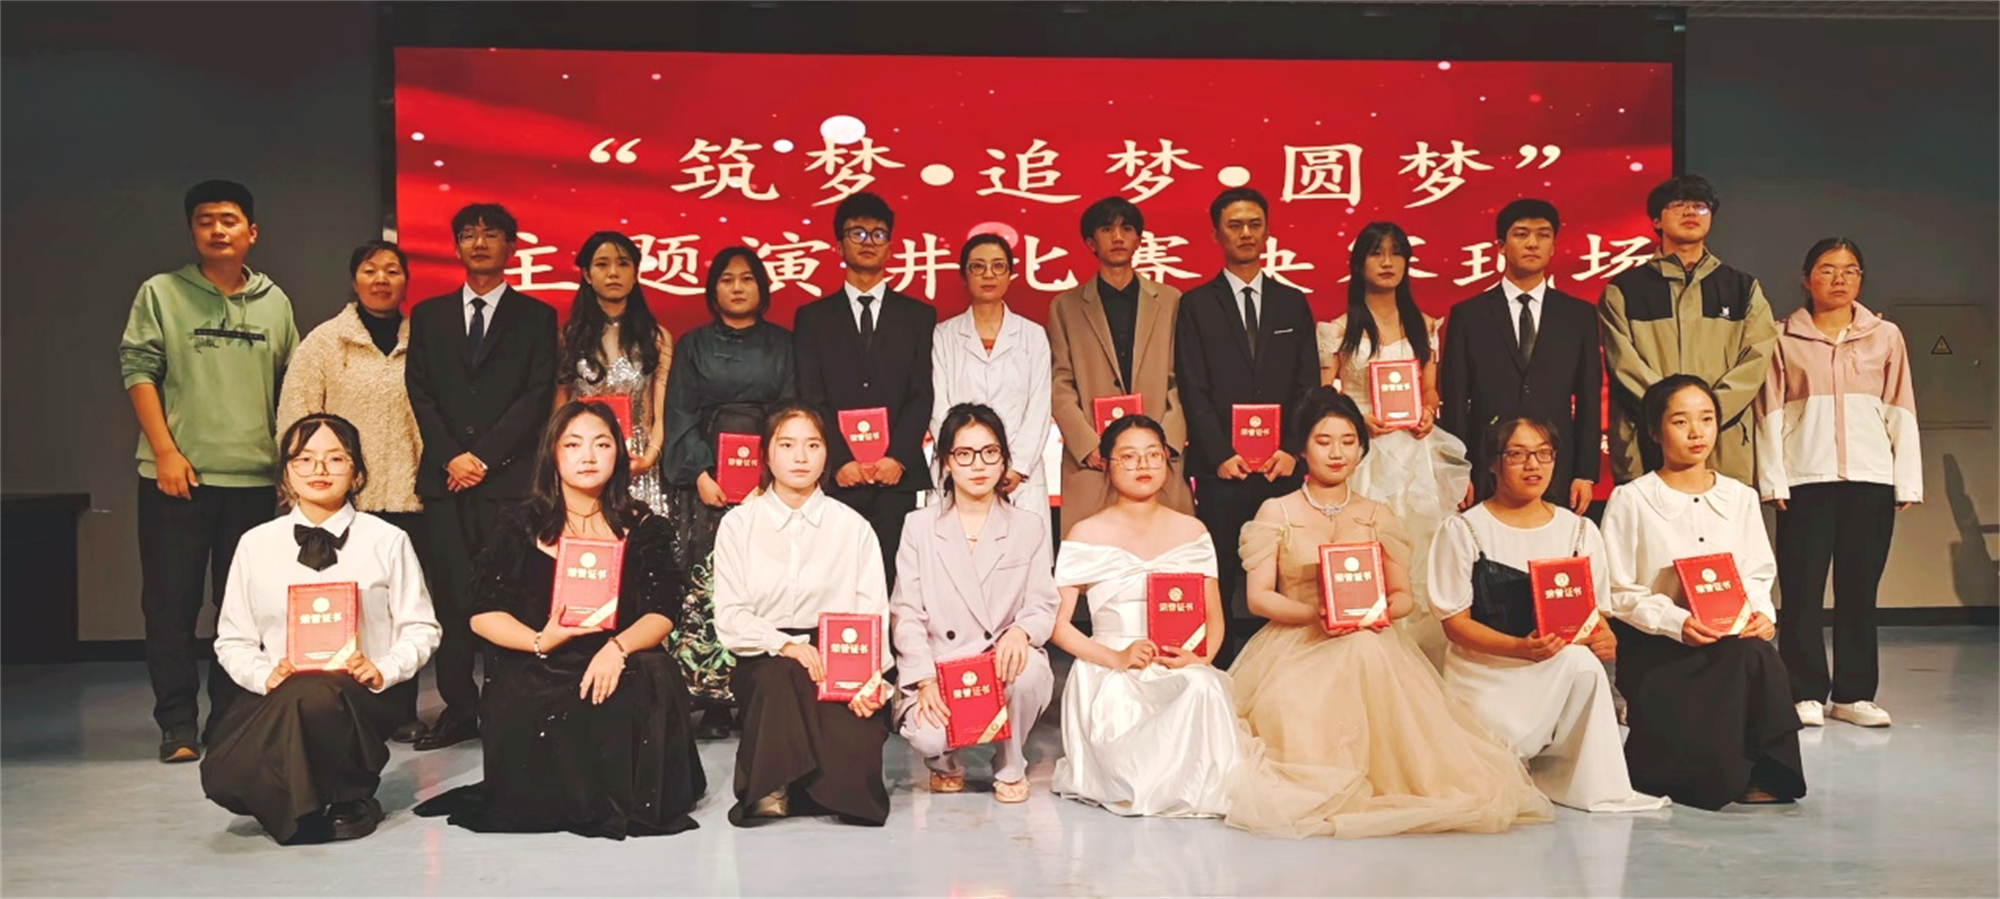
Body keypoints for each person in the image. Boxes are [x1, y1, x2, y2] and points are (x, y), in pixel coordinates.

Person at [1225, 389, 1551, 838]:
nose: (1337, 452)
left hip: (1370, 637)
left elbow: (1402, 597)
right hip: (1297, 640)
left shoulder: (1378, 514)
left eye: (1348, 441)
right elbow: (1260, 597)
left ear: (1361, 448)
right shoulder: (1276, 511)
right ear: (1302, 448)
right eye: (1323, 441)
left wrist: (1371, 612)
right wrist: (1315, 613)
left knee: (1365, 649)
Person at [413, 401, 705, 838]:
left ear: (618, 454)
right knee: (523, 685)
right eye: (573, 445)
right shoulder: (519, 524)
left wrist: (617, 648)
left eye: (601, 444)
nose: (588, 456)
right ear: (552, 454)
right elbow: (483, 614)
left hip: (617, 657)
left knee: (655, 672)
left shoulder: (645, 526)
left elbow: (663, 612)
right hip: (542, 657)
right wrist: (539, 641)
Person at [121, 179, 298, 762]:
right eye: (205, 220)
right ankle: (176, 724)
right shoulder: (162, 293)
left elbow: (290, 390)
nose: (217, 230)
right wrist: (165, 452)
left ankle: (229, 719)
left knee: (242, 610)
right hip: (178, 478)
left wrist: (287, 471)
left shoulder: (275, 303)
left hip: (253, 481)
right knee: (169, 605)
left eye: (229, 219)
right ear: (192, 231)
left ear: (252, 232)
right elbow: (138, 370)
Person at [201, 414, 440, 843]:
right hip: (279, 694)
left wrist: (383, 669)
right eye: (304, 459)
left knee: (315, 694)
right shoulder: (255, 543)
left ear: (357, 471)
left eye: (335, 458)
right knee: (222, 775)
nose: (319, 469)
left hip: (364, 694)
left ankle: (338, 797)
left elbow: (421, 627)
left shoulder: (387, 540)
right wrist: (264, 675)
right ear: (286, 474)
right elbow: (233, 638)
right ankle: (333, 797)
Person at [1427, 417, 1668, 813]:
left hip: (1552, 666)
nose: (1533, 465)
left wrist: (1605, 637)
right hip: (1486, 672)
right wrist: (1520, 648)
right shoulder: (1464, 530)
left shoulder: (1579, 531)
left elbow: (1594, 617)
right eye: (1517, 455)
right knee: (1490, 777)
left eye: (1543, 454)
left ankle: (1589, 784)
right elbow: (1455, 624)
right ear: (1493, 463)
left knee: (1582, 663)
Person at [1601, 374, 1806, 809]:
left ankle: (1762, 773)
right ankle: (1726, 773)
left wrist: (1759, 614)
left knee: (1756, 652)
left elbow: (1757, 572)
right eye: (1681, 421)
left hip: (1727, 637)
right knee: (1745, 659)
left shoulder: (1740, 497)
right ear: (1655, 431)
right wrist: (1675, 622)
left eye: (1707, 419)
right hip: (1660, 646)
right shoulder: (1631, 499)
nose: (1697, 432)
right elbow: (1616, 589)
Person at [404, 203, 559, 750]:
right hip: (446, 481)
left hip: (509, 482)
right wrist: (452, 456)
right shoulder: (428, 316)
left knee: (509, 596)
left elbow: (536, 395)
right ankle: (458, 708)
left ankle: (506, 703)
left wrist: (484, 459)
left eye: (491, 234)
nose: (479, 242)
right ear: (456, 246)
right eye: (468, 234)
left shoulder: (537, 316)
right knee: (451, 597)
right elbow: (419, 390)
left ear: (511, 246)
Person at [1757, 238, 1921, 728]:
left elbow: (1901, 407)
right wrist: (1773, 480)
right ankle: (1804, 691)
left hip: (1870, 479)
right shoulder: (1782, 336)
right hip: (1805, 479)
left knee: (1859, 591)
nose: (1839, 279)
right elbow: (1768, 412)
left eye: (1850, 270)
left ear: (1861, 279)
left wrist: (1906, 480)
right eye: (1827, 269)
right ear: (1806, 279)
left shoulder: (1886, 336)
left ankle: (1854, 694)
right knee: (1801, 590)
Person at [275, 239, 428, 743]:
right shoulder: (325, 342)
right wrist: (302, 482)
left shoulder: (424, 340)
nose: (381, 279)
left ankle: (400, 708)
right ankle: (340, 705)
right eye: (370, 269)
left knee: (401, 608)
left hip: (411, 493)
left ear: (406, 281)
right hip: (341, 500)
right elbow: (296, 416)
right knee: (343, 605)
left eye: (392, 270)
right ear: (354, 278)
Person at [712, 404, 893, 826]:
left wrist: (869, 677)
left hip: (840, 655)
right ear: (766, 454)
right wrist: (786, 645)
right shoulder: (739, 525)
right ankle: (773, 786)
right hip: (764, 652)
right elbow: (731, 616)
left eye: (812, 446)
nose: (800, 457)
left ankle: (811, 788)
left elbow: (872, 611)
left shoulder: (853, 527)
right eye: (787, 445)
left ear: (826, 454)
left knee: (855, 746)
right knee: (781, 676)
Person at [1050, 415, 1238, 817]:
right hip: (1110, 667)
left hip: (1173, 661)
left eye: (1154, 455)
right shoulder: (1085, 533)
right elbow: (1058, 626)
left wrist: (1200, 658)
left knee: (1203, 685)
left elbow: (1214, 618)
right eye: (1129, 457)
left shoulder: (1192, 531)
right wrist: (1116, 657)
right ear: (1106, 464)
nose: (1143, 465)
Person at [1316, 221, 1472, 666]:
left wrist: (1428, 411)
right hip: (1365, 453)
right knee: (1369, 549)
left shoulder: (1424, 325)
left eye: (1396, 253)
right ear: (1358, 264)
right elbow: (1326, 391)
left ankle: (1422, 660)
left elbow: (1431, 389)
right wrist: (1357, 418)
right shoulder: (1338, 329)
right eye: (1376, 253)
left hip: (1416, 454)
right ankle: (1369, 653)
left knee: (1421, 550)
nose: (1387, 263)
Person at [659, 245, 797, 738]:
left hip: (769, 477)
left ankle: (756, 692)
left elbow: (792, 412)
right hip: (709, 480)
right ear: (713, 288)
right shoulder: (693, 345)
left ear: (762, 287)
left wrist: (771, 475)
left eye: (747, 279)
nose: (737, 288)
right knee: (709, 584)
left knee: (765, 581)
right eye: (727, 279)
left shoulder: (785, 344)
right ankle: (710, 698)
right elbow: (679, 412)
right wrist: (700, 473)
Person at [892, 404, 1060, 803]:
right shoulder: (919, 526)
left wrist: (1021, 631)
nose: (978, 465)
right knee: (928, 734)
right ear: (946, 462)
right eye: (964, 454)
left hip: (999, 660)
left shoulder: (1028, 526)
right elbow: (906, 613)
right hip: (941, 663)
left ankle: (1010, 761)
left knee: (1026, 669)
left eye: (990, 452)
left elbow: (1043, 603)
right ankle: (944, 762)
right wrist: (924, 678)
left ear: (1004, 459)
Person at [1175, 188, 1319, 642]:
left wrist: (1292, 449)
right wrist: (1219, 453)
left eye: (1255, 224)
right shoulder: (1196, 304)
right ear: (1216, 234)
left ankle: (1286, 658)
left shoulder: (1292, 302)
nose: (1246, 233)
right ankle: (1216, 660)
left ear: (1268, 231)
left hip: (1281, 467)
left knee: (1287, 571)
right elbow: (1191, 385)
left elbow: (1307, 385)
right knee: (1220, 570)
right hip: (1222, 469)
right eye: (1234, 225)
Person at [793, 192, 935, 585]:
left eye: (878, 234)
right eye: (857, 233)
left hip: (896, 476)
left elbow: (922, 393)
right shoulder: (812, 318)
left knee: (895, 578)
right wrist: (839, 461)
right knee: (836, 576)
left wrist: (898, 458)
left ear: (891, 245)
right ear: (839, 246)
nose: (868, 242)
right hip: (840, 476)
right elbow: (811, 396)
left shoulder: (918, 316)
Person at [1600, 175, 1776, 486]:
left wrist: (1707, 415)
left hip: (1724, 440)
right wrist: (1672, 414)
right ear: (1656, 220)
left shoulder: (1741, 288)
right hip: (1647, 438)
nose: (1691, 212)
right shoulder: (1625, 290)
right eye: (1678, 205)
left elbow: (1756, 359)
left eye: (1700, 206)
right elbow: (1623, 364)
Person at [1439, 199, 1602, 512]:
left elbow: (1588, 400)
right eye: (1521, 234)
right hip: (1487, 463)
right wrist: (1456, 471)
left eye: (1543, 235)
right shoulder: (1469, 315)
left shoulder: (1578, 315)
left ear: (1553, 247)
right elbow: (1455, 400)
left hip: (1554, 463)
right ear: (1501, 246)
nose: (1532, 243)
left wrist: (1585, 473)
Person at [1048, 196, 1195, 536]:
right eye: (1106, 229)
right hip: (1095, 458)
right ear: (1090, 242)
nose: (1117, 237)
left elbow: (1184, 379)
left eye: (1126, 229)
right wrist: (1087, 445)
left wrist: (1166, 442)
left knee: (1165, 551)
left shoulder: (1171, 300)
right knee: (1094, 551)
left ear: (1139, 239)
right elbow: (1060, 383)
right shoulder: (1065, 307)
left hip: (1156, 455)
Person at [928, 234, 1053, 529]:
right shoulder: (943, 335)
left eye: (998, 266)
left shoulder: (1033, 335)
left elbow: (1039, 407)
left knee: (1022, 552)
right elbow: (938, 407)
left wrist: (1016, 466)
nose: (988, 274)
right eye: (978, 266)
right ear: (964, 275)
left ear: (1010, 274)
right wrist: (965, 461)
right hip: (958, 472)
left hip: (1018, 477)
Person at [556, 231, 672, 515]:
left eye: (623, 264)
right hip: (582, 460)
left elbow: (662, 412)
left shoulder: (657, 338)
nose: (613, 273)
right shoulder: (568, 337)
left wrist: (648, 458)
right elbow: (558, 409)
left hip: (638, 462)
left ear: (635, 273)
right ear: (587, 274)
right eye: (602, 264)